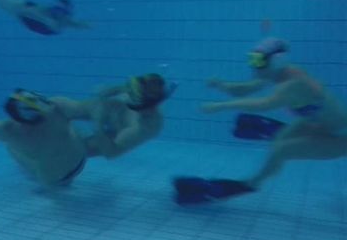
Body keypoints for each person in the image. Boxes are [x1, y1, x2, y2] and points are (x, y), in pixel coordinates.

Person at [174, 38, 347, 204]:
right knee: (279, 140)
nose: (253, 65)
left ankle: (252, 184)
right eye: (252, 59)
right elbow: (244, 89)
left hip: (340, 138)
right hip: (316, 124)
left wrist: (222, 105)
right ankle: (276, 134)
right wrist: (221, 85)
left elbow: (264, 104)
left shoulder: (295, 82)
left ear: (277, 61)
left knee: (281, 150)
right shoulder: (277, 74)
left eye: (258, 60)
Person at [51, 73, 176, 159]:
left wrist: (97, 124)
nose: (127, 92)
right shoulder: (142, 89)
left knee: (81, 149)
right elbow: (119, 90)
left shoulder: (145, 127)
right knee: (71, 108)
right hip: (115, 111)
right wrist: (105, 94)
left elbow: (111, 153)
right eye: (130, 87)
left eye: (132, 93)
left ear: (143, 104)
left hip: (118, 132)